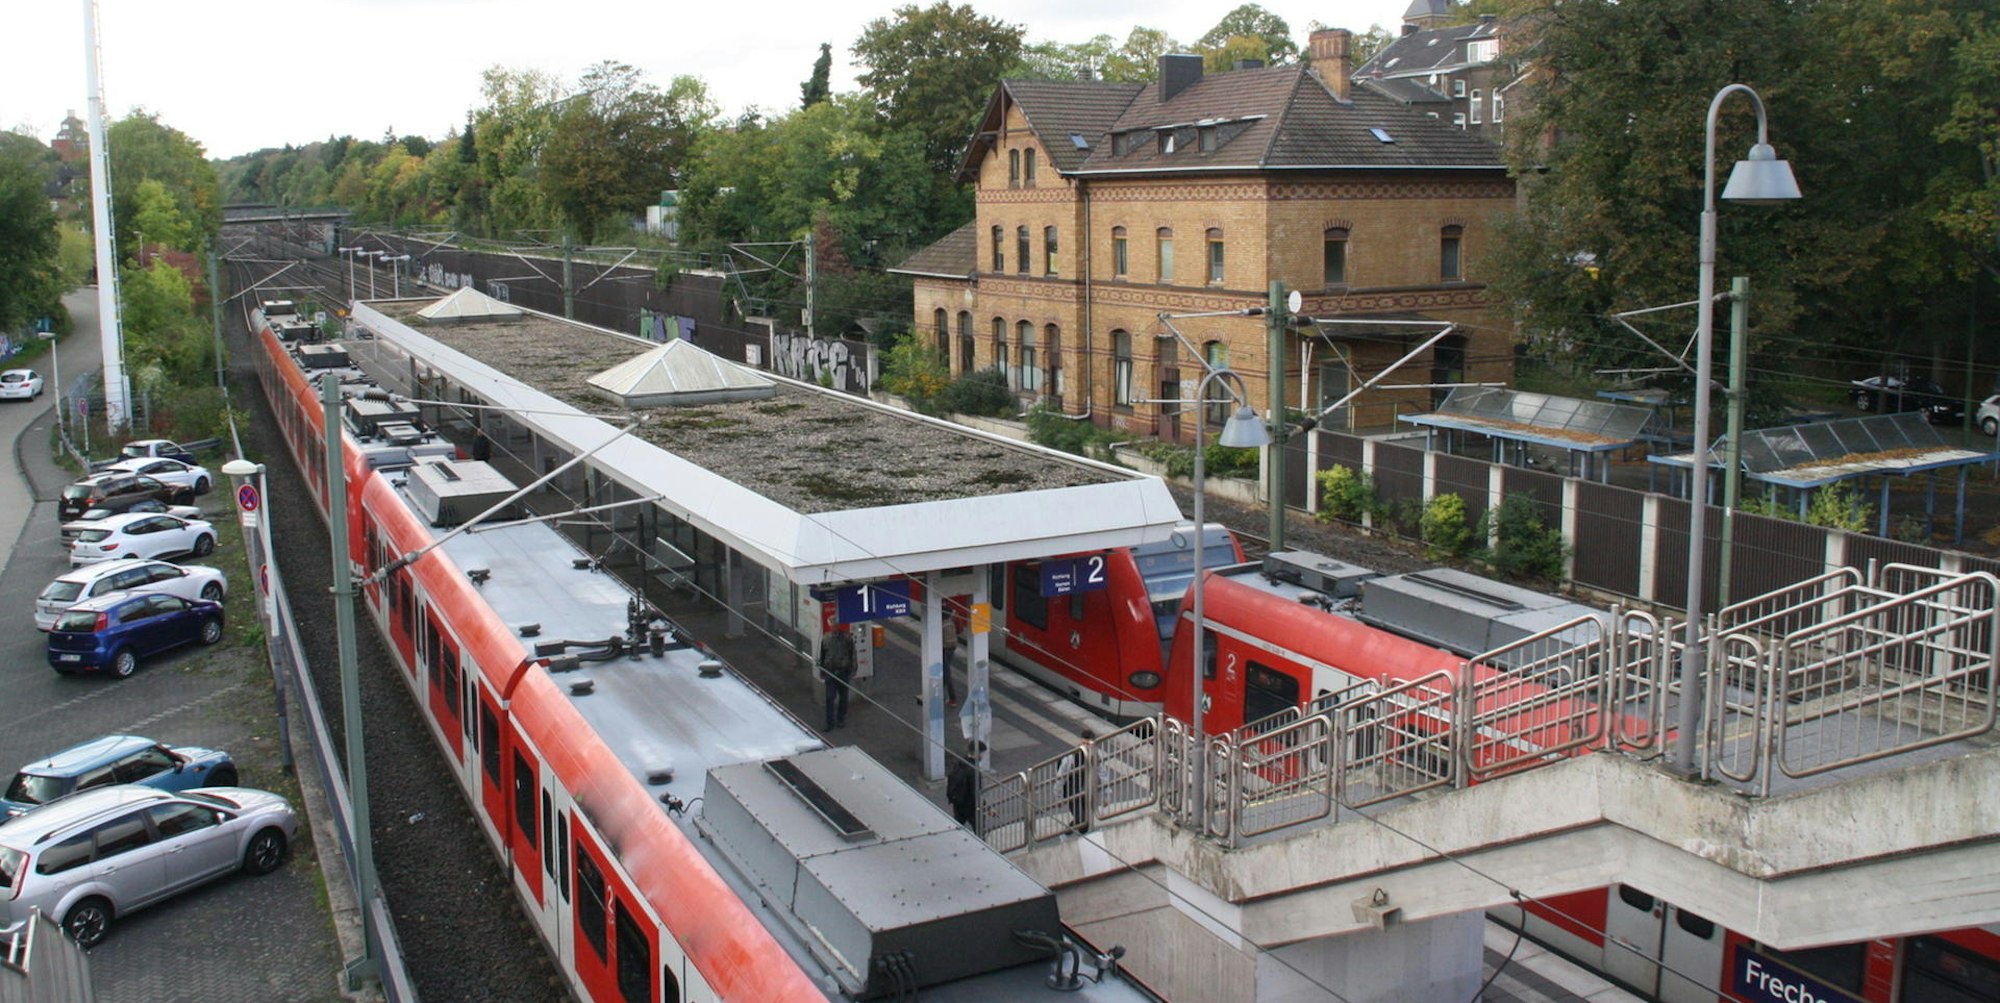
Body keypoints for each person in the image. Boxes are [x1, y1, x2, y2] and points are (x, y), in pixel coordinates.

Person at [819, 628, 857, 730]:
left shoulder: (847, 638)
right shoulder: (826, 638)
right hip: (830, 671)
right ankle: (830, 722)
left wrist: (853, 669)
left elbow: (852, 654)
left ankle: (840, 719)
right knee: (830, 698)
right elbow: (822, 655)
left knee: (843, 698)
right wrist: (822, 671)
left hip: (842, 671)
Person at [1059, 728, 1096, 833]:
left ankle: (1070, 831)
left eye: (1088, 745)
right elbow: (1061, 777)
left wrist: (1107, 795)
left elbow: (1103, 774)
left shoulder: (1094, 757)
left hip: (1084, 790)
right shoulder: (1071, 757)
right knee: (1082, 820)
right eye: (1083, 744)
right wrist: (1058, 796)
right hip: (1071, 792)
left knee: (1085, 821)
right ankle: (1068, 832)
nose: (1085, 747)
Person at [946, 739, 984, 827]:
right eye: (982, 753)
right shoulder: (974, 770)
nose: (983, 756)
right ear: (977, 753)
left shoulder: (959, 763)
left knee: (958, 826)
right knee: (979, 830)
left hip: (958, 802)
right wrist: (985, 806)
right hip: (970, 806)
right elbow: (976, 791)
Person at [941, 612, 961, 707]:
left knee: (947, 673)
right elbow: (960, 630)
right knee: (946, 669)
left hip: (944, 648)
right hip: (952, 646)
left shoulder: (938, 618)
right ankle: (941, 692)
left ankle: (953, 699)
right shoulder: (953, 615)